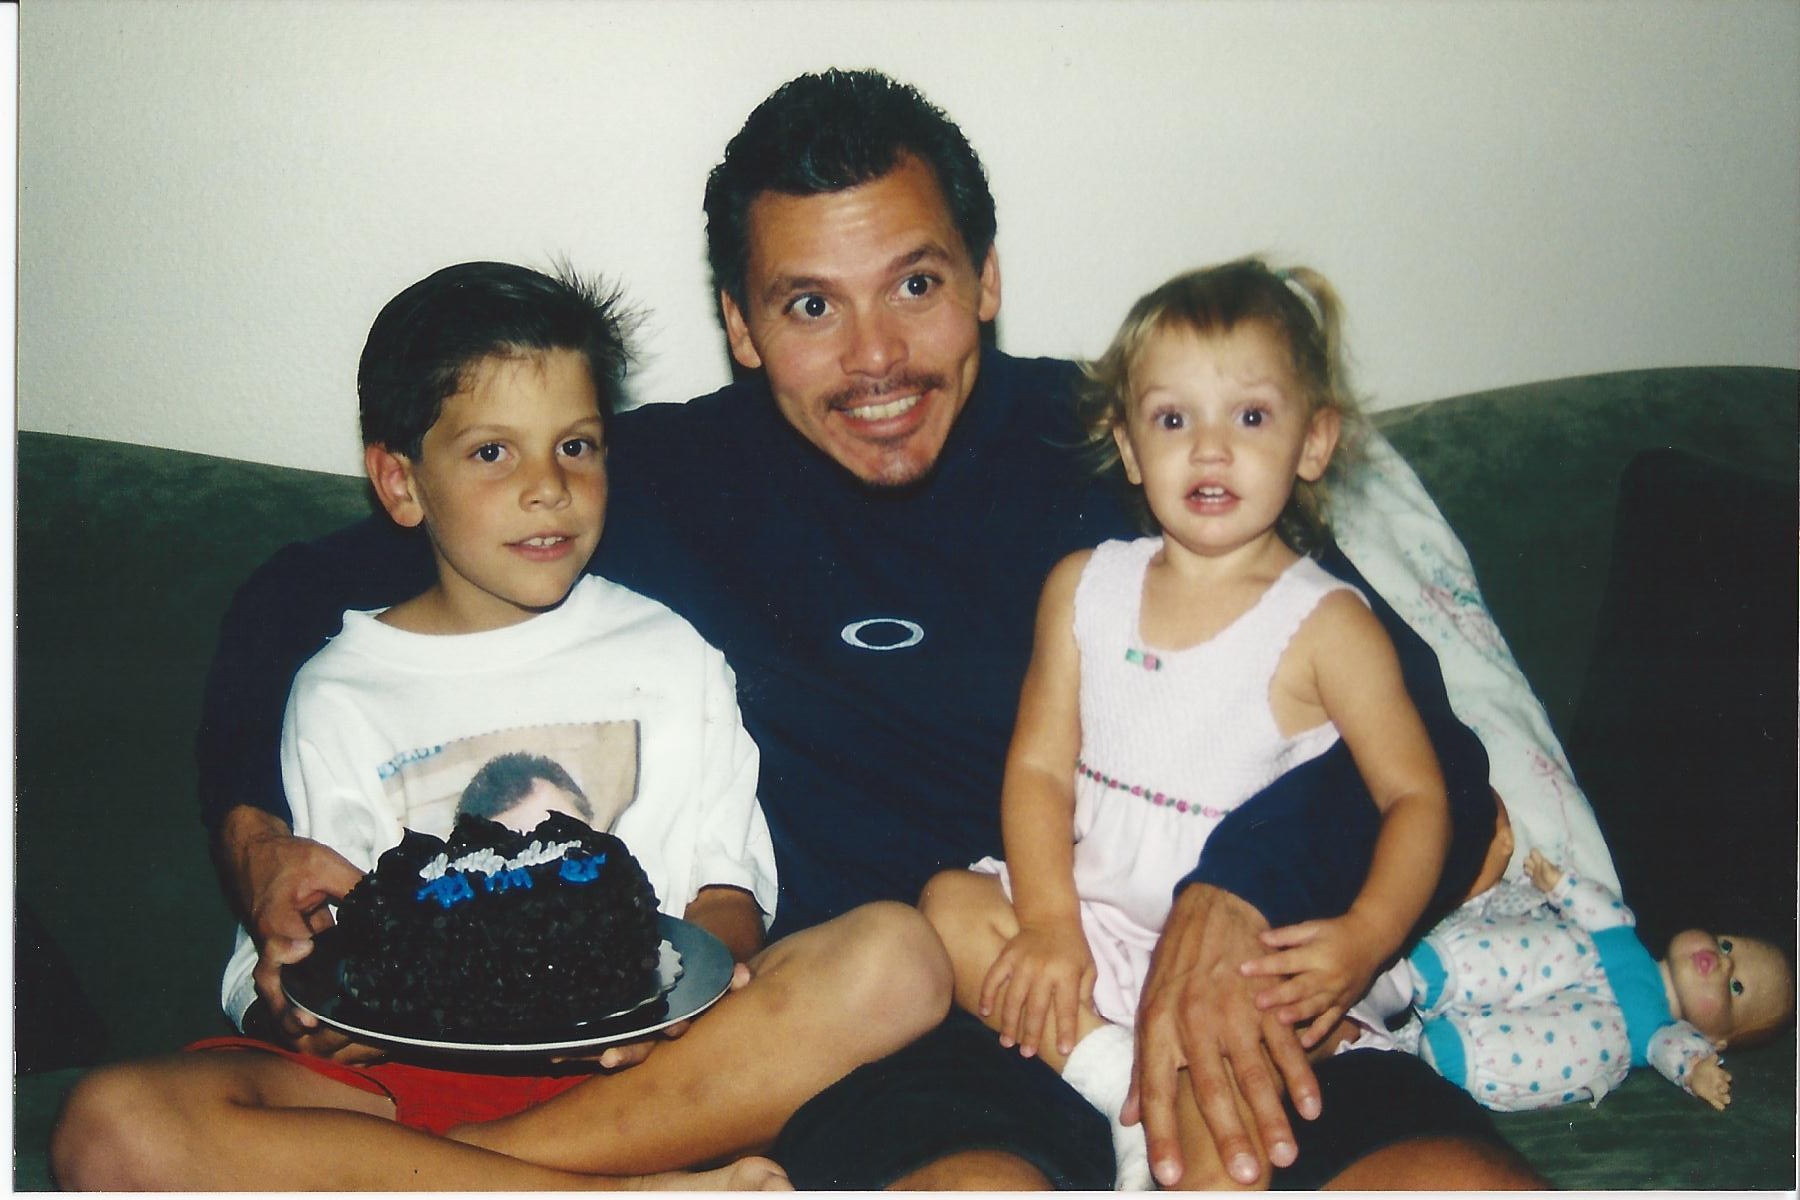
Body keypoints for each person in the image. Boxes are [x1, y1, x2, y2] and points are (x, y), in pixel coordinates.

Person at [193, 71, 1540, 1189]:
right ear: (739, 326)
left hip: (1192, 986)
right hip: (904, 1045)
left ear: (988, 279)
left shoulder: (1130, 448)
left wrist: (1234, 891)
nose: (877, 357)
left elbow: (1425, 744)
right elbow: (292, 598)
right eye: (810, 306)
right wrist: (257, 842)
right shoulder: (634, 486)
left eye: (916, 284)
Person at [50, 261, 956, 1190]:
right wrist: (294, 1003)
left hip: (639, 1075)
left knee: (896, 958)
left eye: (577, 446)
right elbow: (285, 952)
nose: (548, 487)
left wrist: (691, 998)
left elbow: (726, 893)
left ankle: (454, 1179)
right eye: (493, 454)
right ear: (400, 483)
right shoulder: (338, 693)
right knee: (113, 1127)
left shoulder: (670, 652)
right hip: (399, 1085)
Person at [921, 259, 1455, 1187]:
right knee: (948, 908)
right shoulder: (1084, 587)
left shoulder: (1327, 625)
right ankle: (1119, 1081)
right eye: (1173, 421)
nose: (1210, 451)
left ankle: (1161, 1115)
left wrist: (1365, 937)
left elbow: (1417, 798)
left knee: (1233, 1139)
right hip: (1094, 919)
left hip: (1242, 965)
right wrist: (1049, 924)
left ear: (1314, 441)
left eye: (1250, 417)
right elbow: (1040, 770)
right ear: (1129, 448)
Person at [1377, 848, 1795, 1113]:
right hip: (1570, 957)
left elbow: (1676, 1053)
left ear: (1717, 1040)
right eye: (1726, 945)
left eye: (1736, 988)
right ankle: (1446, 968)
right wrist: (1560, 884)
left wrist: (1697, 1070)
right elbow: (1598, 909)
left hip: (1595, 1029)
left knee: (1559, 1051)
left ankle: (1466, 1052)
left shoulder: (1662, 1033)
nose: (1723, 963)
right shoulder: (1622, 932)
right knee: (1536, 945)